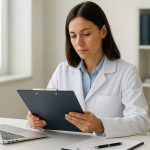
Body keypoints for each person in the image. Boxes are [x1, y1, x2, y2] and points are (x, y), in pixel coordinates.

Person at [27, 1, 149, 138]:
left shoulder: (127, 72)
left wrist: (101, 125)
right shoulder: (62, 70)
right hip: (67, 144)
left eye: (86, 34)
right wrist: (34, 121)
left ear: (103, 31)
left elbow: (141, 122)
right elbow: (46, 111)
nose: (79, 42)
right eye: (73, 36)